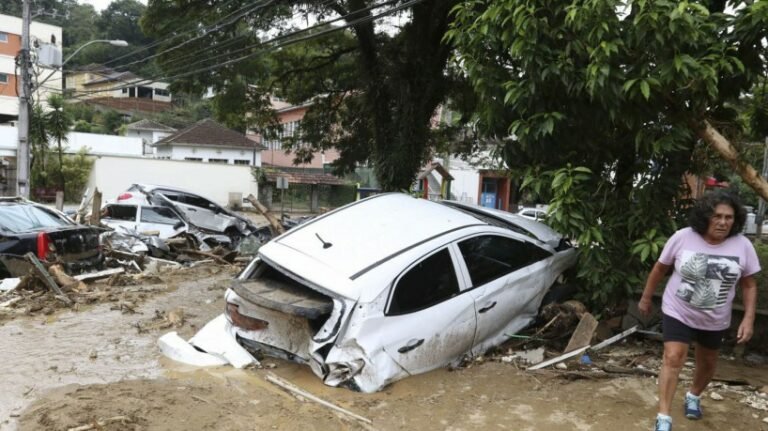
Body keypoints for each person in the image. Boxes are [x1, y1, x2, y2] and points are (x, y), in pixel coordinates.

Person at [639, 190, 759, 431]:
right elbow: (660, 268)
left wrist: (748, 318)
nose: (723, 222)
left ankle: (693, 395)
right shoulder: (683, 237)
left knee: (708, 362)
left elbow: (749, 284)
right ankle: (663, 416)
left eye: (729, 217)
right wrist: (645, 297)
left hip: (715, 317)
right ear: (705, 216)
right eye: (717, 216)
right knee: (673, 358)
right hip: (678, 310)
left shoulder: (743, 245)